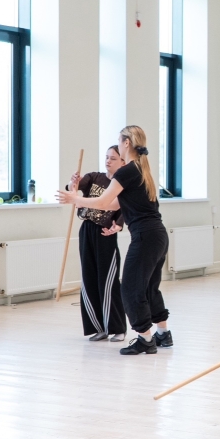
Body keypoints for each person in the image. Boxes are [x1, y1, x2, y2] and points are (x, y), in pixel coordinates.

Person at [58, 126, 171, 355]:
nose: (117, 145)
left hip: (146, 237)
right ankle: (162, 333)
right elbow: (112, 205)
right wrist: (78, 198)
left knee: (130, 288)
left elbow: (102, 202)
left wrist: (74, 199)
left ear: (126, 143)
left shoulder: (126, 171)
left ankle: (145, 339)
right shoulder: (141, 169)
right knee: (149, 288)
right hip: (158, 236)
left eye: (119, 141)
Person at [69, 145, 128, 341]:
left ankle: (117, 328)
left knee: (108, 281)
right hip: (87, 230)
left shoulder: (121, 184)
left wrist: (118, 226)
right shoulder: (94, 177)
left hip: (105, 234)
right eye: (107, 157)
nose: (108, 161)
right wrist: (73, 183)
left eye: (113, 158)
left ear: (123, 162)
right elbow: (74, 191)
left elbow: (124, 209)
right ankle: (98, 326)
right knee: (89, 278)